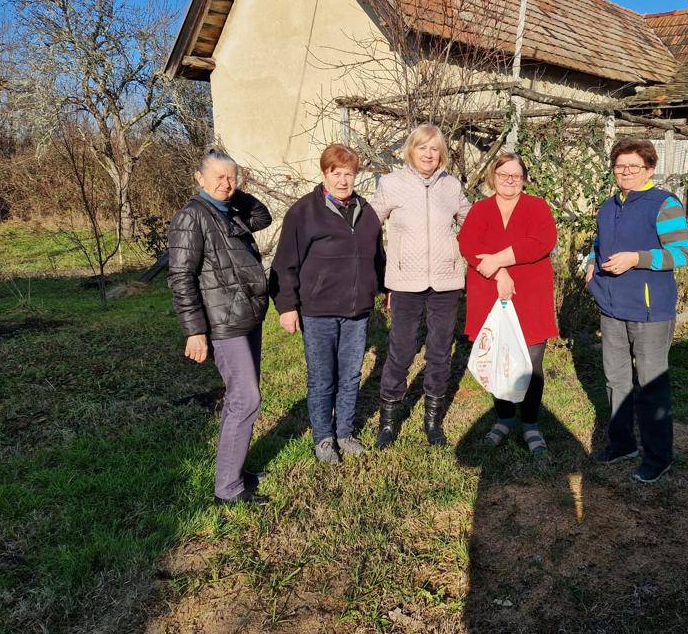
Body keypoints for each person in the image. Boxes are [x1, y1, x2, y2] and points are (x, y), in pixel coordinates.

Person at [168, 147, 273, 505]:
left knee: (238, 399)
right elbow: (181, 277)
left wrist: (232, 191)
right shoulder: (192, 216)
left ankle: (234, 469)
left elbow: (264, 215)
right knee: (247, 398)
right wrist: (194, 331)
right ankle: (227, 489)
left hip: (246, 315)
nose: (227, 184)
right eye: (219, 177)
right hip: (222, 322)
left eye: (232, 177)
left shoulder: (230, 210)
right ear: (199, 179)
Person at [269, 144, 386, 464]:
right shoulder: (303, 212)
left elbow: (377, 256)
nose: (343, 180)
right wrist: (287, 306)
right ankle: (323, 438)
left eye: (349, 174)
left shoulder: (365, 211)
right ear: (325, 174)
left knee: (350, 375)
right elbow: (284, 264)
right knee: (322, 377)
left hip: (356, 311)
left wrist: (382, 287)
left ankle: (345, 432)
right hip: (318, 310)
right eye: (336, 173)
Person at [586, 137, 688, 483]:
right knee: (616, 380)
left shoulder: (664, 204)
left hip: (650, 311)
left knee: (650, 385)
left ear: (649, 169)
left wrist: (638, 259)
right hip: (612, 306)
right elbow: (600, 243)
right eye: (620, 166)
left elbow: (682, 254)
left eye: (633, 166)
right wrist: (590, 261)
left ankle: (658, 456)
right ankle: (622, 444)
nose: (626, 172)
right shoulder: (608, 205)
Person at [370, 124, 471, 448]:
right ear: (410, 150)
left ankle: (432, 422)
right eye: (422, 147)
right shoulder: (390, 183)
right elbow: (369, 225)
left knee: (440, 353)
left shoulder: (451, 185)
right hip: (405, 281)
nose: (428, 154)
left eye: (434, 148)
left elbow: (471, 223)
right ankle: (388, 421)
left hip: (446, 282)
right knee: (401, 350)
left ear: (441, 153)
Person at [458, 154, 558, 455]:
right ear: (493, 176)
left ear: (524, 178)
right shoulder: (480, 209)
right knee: (497, 358)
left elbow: (542, 241)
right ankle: (503, 418)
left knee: (531, 362)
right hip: (489, 292)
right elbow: (468, 244)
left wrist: (500, 259)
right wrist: (500, 273)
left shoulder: (536, 207)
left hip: (530, 294)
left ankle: (529, 423)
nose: (510, 180)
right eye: (503, 174)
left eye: (516, 175)